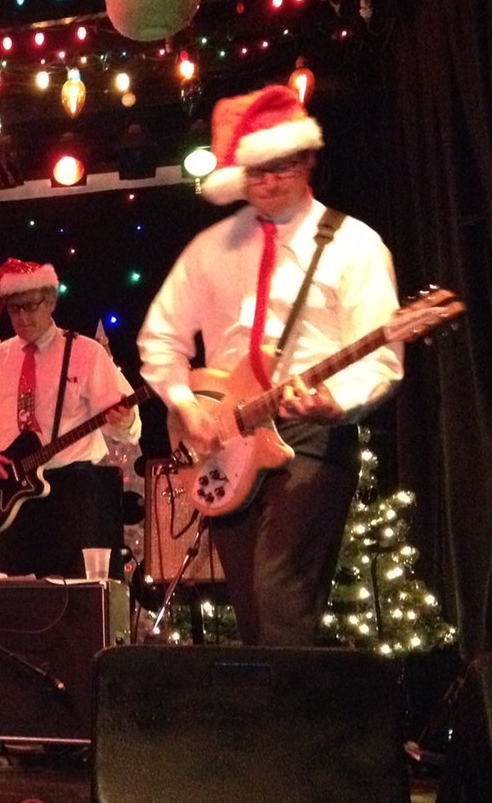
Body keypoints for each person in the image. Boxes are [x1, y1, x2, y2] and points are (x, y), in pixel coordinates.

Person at [137, 84, 402, 645]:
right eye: (257, 170)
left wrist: (339, 401)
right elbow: (159, 338)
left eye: (282, 166)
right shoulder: (211, 248)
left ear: (308, 158)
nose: (269, 181)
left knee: (282, 594)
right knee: (253, 613)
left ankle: (293, 732)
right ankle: (283, 725)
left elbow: (381, 356)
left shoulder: (355, 246)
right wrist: (185, 404)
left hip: (311, 436)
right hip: (224, 441)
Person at [0, 258, 140, 579]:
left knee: (70, 602)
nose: (22, 317)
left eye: (30, 306)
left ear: (52, 302)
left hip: (72, 496)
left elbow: (126, 430)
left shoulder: (85, 353)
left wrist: (123, 420)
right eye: (14, 310)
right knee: (6, 604)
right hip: (7, 496)